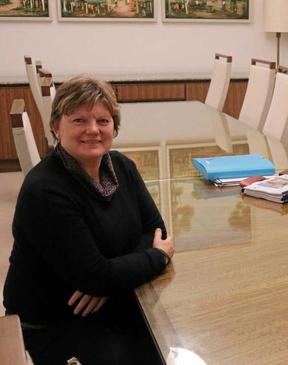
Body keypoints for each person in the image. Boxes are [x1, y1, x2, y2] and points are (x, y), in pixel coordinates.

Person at [3, 75, 174, 364]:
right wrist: (156, 257)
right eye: (79, 120)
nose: (92, 130)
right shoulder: (45, 189)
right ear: (57, 126)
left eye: (103, 121)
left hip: (109, 304)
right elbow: (98, 273)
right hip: (53, 322)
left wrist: (106, 282)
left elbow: (156, 229)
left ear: (114, 127)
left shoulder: (122, 166)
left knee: (167, 342)